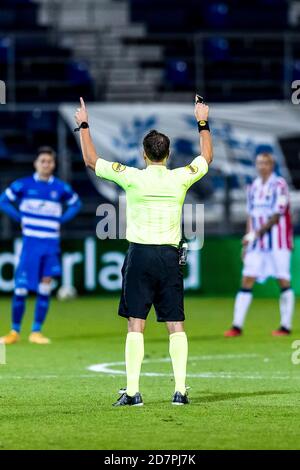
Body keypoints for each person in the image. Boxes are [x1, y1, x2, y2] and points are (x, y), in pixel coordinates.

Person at [75, 97, 213, 406]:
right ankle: (179, 391)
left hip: (139, 255)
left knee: (136, 322)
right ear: (168, 154)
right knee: (175, 323)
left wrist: (83, 123)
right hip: (168, 256)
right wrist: (202, 121)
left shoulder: (131, 176)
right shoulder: (180, 177)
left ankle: (134, 392)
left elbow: (90, 159)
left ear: (144, 153)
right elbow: (207, 155)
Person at [0, 147, 81, 345]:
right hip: (31, 244)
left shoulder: (60, 188)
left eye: (50, 161)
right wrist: (20, 217)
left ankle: (36, 331)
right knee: (21, 288)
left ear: (54, 165)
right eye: (43, 161)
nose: (46, 164)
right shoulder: (24, 185)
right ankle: (14, 331)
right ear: (36, 163)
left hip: (50, 244)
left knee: (45, 287)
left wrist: (61, 219)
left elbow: (76, 204)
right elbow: (3, 201)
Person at [224, 152, 294, 338]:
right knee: (247, 279)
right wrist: (247, 243)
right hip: (256, 244)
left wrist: (255, 234)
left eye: (265, 163)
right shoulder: (253, 186)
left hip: (278, 242)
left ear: (272, 165)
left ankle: (285, 326)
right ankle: (237, 326)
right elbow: (251, 216)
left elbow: (277, 215)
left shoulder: (279, 185)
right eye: (259, 163)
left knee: (283, 280)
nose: (262, 166)